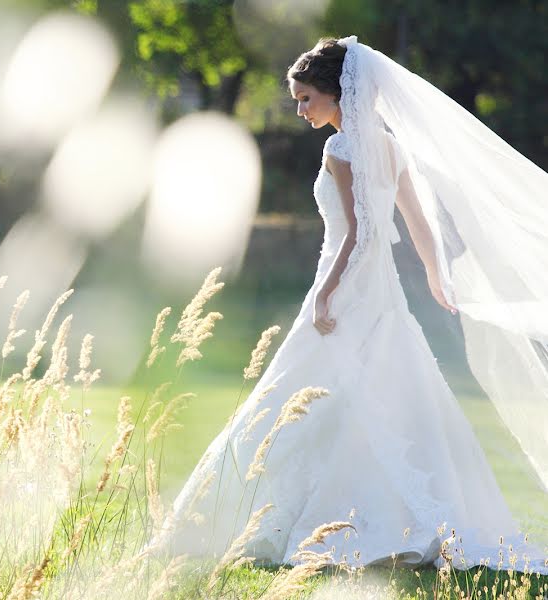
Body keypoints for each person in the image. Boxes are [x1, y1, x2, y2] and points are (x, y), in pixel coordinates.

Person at [154, 36, 548, 573]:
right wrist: (435, 274)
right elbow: (416, 221)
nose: (299, 109)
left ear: (336, 94)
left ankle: (263, 519)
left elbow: (358, 235)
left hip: (350, 285)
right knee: (372, 393)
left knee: (304, 391)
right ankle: (388, 514)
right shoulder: (389, 145)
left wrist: (326, 293)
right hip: (380, 291)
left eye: (305, 98)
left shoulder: (340, 149)